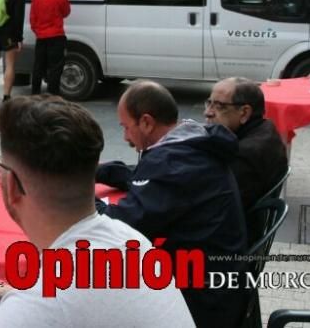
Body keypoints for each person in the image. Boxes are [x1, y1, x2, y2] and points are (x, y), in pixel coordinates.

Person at [0, 95, 193, 328]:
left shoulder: (38, 308)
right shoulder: (128, 241)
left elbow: (39, 301)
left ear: (10, 185)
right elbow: (30, 290)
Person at [96, 81, 247, 328]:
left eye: (126, 127)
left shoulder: (172, 161)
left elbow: (119, 225)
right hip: (218, 283)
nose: (124, 137)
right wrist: (99, 171)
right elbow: (145, 178)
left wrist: (73, 196)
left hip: (199, 300)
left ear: (146, 122)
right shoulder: (190, 144)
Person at [203, 77, 288, 210]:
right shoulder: (266, 128)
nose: (208, 112)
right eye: (209, 103)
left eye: (219, 106)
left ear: (244, 113)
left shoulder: (244, 154)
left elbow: (213, 204)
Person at [29, 0, 70, 96]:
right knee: (55, 68)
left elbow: (32, 17)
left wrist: (37, 30)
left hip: (41, 37)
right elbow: (66, 12)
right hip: (56, 36)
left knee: (38, 67)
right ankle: (52, 94)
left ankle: (35, 93)